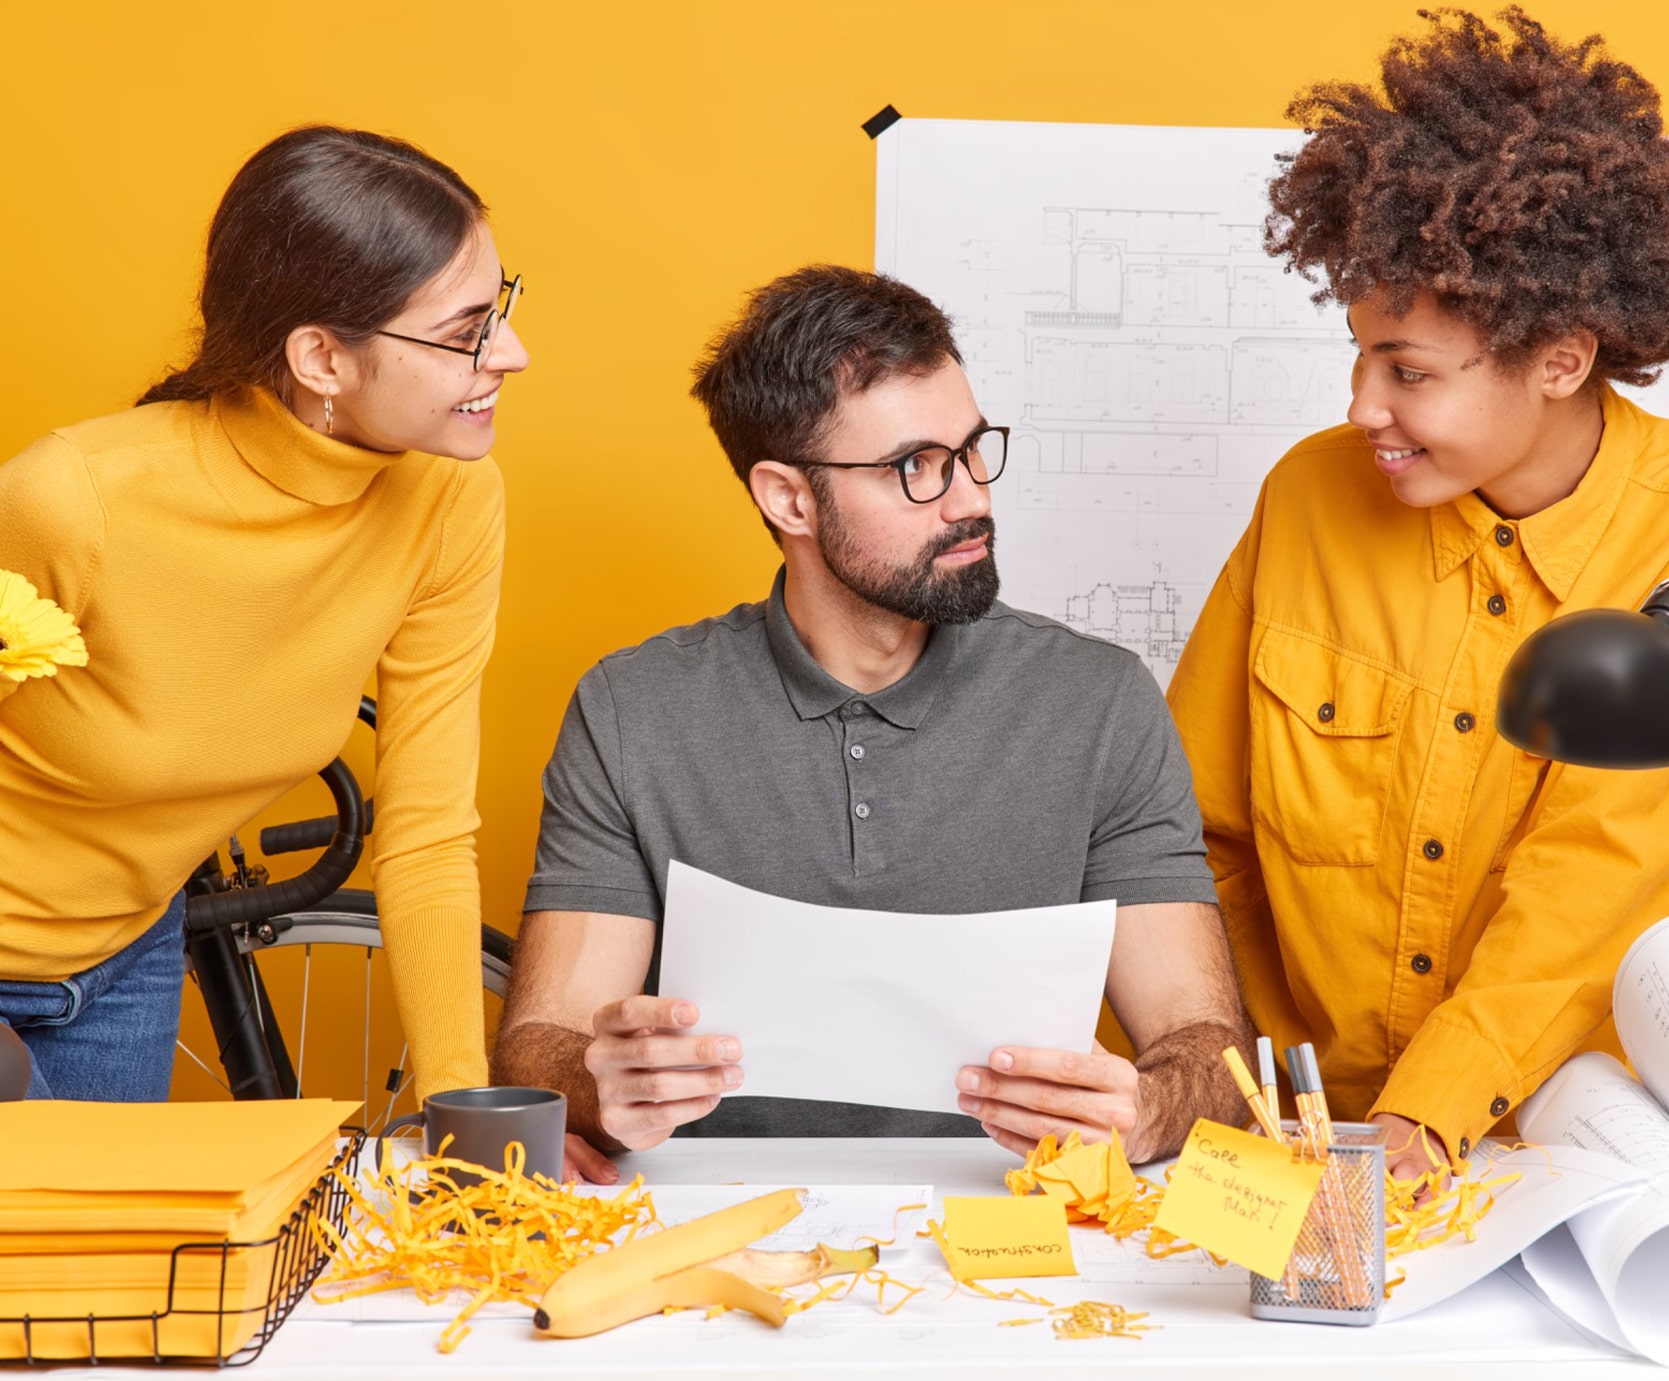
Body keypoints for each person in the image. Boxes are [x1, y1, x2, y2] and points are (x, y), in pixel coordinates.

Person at [492, 264, 1253, 1165]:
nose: (971, 498)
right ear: (788, 498)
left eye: (971, 450)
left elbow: (1210, 1045)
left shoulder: (1099, 702)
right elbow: (539, 1041)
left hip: (1015, 1220)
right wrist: (598, 1085)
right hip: (709, 1211)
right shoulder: (633, 709)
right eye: (913, 468)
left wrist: (1150, 1110)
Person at [1166, 7, 1669, 1182]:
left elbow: (1594, 880)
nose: (1362, 408)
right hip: (1289, 1128)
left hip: (1543, 1152)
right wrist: (1213, 1080)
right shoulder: (1307, 497)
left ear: (1560, 360)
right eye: (1358, 355)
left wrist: (1422, 1118)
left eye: (1409, 372)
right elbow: (1194, 835)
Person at [0, 125, 529, 1107]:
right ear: (321, 357)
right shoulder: (71, 501)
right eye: (465, 331)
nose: (514, 353)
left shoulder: (452, 503)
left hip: (126, 959)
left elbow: (424, 834)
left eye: (499, 309)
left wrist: (461, 1109)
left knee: (104, 1221)